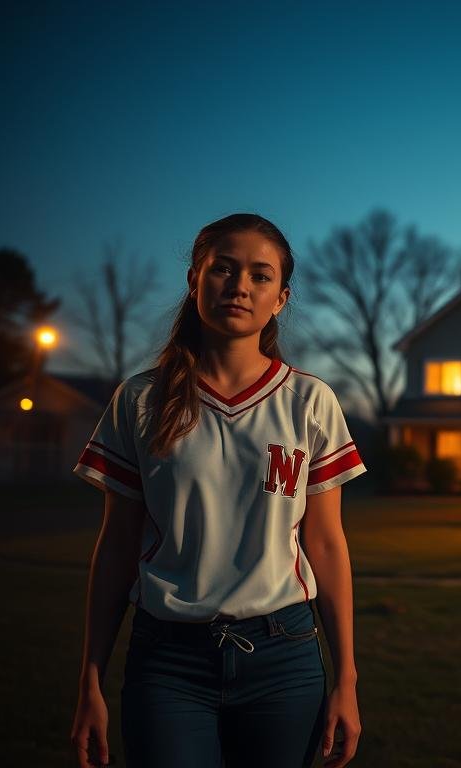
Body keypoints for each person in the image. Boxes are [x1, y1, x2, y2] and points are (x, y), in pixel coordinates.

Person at [69, 213, 367, 768]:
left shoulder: (309, 401)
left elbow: (325, 544)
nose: (239, 286)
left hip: (285, 656)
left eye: (260, 275)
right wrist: (90, 678)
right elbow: (116, 544)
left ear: (281, 297)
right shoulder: (140, 400)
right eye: (223, 269)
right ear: (194, 281)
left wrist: (346, 679)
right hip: (168, 662)